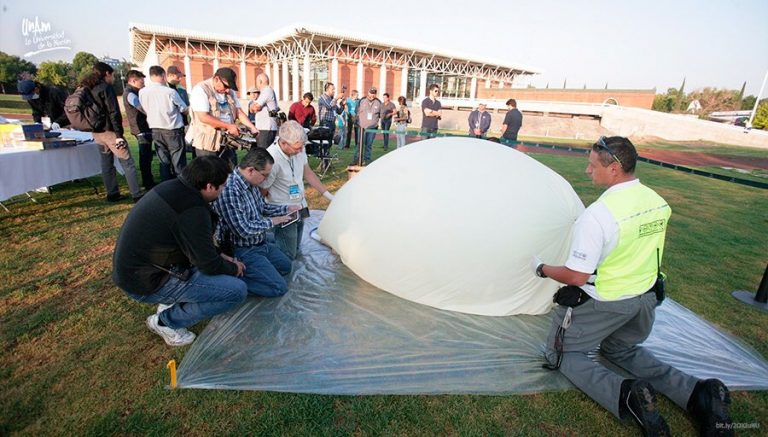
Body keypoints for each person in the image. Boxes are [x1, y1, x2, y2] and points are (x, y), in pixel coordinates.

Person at [531, 136, 733, 436]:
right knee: (620, 349)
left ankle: (626, 393)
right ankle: (698, 393)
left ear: (614, 168)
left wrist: (541, 268)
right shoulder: (656, 202)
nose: (588, 171)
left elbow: (576, 276)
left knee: (562, 354)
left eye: (592, 165)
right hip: (645, 302)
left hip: (608, 302)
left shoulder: (598, 215)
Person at [112, 156, 248, 347]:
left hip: (138, 270)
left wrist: (221, 255)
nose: (224, 190)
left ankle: (171, 303)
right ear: (209, 186)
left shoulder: (174, 188)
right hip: (146, 282)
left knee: (218, 276)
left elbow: (195, 244)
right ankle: (166, 322)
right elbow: (208, 264)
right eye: (223, 186)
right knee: (236, 290)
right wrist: (233, 268)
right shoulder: (193, 210)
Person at [213, 148, 299, 297]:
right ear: (251, 170)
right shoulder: (230, 190)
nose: (266, 180)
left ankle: (257, 270)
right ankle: (232, 281)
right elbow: (243, 230)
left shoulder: (250, 183)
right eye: (265, 175)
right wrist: (273, 221)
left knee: (286, 267)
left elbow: (262, 207)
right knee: (279, 288)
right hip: (243, 249)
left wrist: (286, 209)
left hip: (260, 243)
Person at [261, 121, 335, 260]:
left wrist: (328, 195)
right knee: (287, 254)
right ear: (283, 143)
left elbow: (308, 173)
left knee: (295, 248)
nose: (300, 151)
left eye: (302, 147)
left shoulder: (299, 148)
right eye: (297, 148)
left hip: (300, 204)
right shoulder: (271, 159)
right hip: (283, 210)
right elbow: (263, 190)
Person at [82, 62, 143, 202]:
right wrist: (119, 135)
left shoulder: (88, 88)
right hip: (109, 131)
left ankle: (112, 193)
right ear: (107, 74)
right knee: (127, 162)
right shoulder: (106, 88)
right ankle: (136, 193)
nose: (113, 78)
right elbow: (113, 112)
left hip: (96, 132)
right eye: (113, 75)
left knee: (106, 163)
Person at [188, 67, 258, 168]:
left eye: (229, 87)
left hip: (227, 141)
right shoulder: (200, 89)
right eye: (225, 86)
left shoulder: (230, 92)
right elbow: (203, 117)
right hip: (208, 142)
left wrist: (252, 127)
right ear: (216, 79)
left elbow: (238, 111)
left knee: (230, 171)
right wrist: (228, 126)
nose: (227, 90)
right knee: (210, 174)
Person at [139, 65, 189, 180]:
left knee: (164, 161)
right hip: (172, 129)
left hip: (155, 129)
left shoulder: (142, 92)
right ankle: (181, 186)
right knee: (178, 161)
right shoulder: (170, 92)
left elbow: (143, 108)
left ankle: (166, 185)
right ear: (163, 75)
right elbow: (183, 109)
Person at [122, 70, 156, 190]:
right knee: (145, 156)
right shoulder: (130, 94)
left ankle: (148, 179)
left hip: (142, 128)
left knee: (146, 155)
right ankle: (148, 182)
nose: (143, 83)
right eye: (141, 80)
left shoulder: (133, 92)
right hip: (141, 129)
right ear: (133, 80)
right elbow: (140, 107)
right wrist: (153, 115)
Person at [354, 87, 382, 165]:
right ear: (368, 92)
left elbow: (380, 114)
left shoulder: (379, 102)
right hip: (361, 127)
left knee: (369, 144)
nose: (372, 95)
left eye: (373, 93)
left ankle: (367, 159)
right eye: (371, 93)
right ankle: (356, 159)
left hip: (372, 128)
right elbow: (356, 112)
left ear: (375, 94)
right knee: (359, 143)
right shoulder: (361, 101)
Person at [250, 73, 279, 148]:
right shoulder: (265, 91)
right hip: (264, 128)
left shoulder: (267, 90)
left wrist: (255, 107)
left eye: (256, 82)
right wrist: (254, 108)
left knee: (263, 153)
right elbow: (252, 109)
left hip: (266, 128)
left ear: (260, 81)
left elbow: (255, 108)